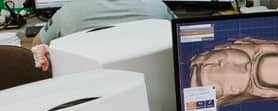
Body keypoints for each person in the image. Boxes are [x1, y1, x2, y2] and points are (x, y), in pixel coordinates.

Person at [32, 0, 175, 46]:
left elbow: (36, 45)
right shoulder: (156, 7)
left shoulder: (68, 12)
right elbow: (182, 38)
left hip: (87, 99)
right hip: (154, 101)